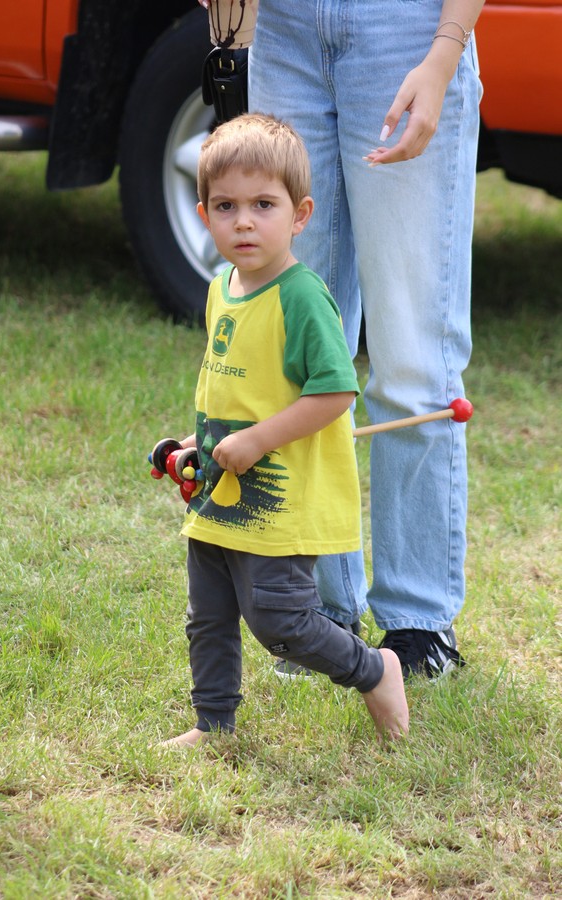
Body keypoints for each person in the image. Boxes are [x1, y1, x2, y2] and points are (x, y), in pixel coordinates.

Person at [227, 0, 484, 679]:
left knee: (411, 357)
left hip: (407, 30)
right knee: (300, 352)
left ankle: (419, 621)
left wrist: (444, 55)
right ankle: (322, 612)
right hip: (284, 32)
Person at [162, 113, 409, 747]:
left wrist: (257, 441)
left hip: (280, 496)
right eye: (226, 206)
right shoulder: (221, 289)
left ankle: (374, 669)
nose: (244, 222)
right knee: (208, 615)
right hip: (220, 492)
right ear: (204, 214)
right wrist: (198, 443)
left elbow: (335, 392)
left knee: (281, 621)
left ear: (299, 215)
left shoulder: (302, 297)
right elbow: (239, 390)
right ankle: (213, 724)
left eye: (263, 205)